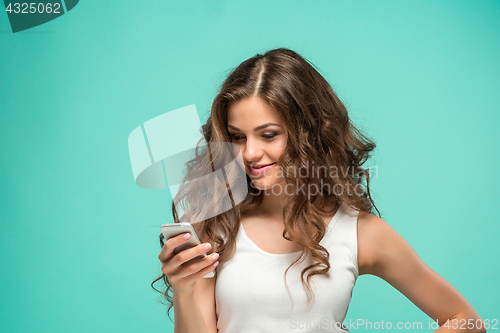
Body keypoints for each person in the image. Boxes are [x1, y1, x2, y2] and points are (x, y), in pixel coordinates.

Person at [153, 48, 485, 333]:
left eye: (268, 135)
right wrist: (183, 288)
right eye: (238, 136)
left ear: (308, 133)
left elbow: (466, 321)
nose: (250, 153)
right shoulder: (214, 221)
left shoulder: (360, 233)